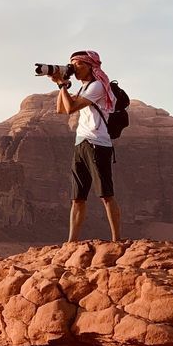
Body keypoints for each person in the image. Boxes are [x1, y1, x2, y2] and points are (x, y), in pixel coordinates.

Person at [49, 50, 122, 242]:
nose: (74, 67)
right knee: (77, 198)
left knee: (106, 195)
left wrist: (62, 85)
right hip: (81, 143)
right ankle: (71, 242)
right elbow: (61, 109)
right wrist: (61, 85)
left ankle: (116, 240)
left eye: (79, 64)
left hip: (98, 143)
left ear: (91, 66)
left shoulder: (97, 86)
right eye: (72, 64)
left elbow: (72, 108)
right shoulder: (84, 88)